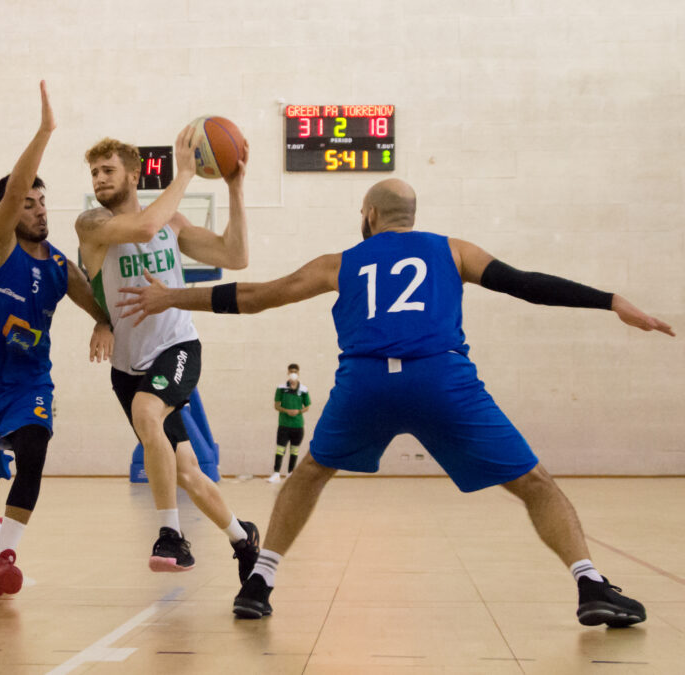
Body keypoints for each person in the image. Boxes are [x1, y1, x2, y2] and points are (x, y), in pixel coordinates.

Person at [117, 178, 674, 626]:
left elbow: (259, 296)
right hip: (442, 382)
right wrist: (610, 301)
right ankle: (590, 583)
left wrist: (172, 295)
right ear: (412, 215)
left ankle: (260, 581)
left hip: (366, 386)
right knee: (534, 484)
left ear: (369, 214)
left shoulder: (343, 260)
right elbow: (525, 283)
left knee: (308, 475)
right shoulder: (454, 250)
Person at [0, 81, 114, 597]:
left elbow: (97, 305)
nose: (39, 209)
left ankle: (8, 555)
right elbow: (13, 191)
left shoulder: (60, 266)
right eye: (28, 203)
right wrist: (45, 132)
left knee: (36, 446)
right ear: (8, 212)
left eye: (44, 202)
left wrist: (104, 321)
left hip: (27, 384)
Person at [74, 129, 259, 582]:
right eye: (94, 172)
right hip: (127, 364)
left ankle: (171, 534)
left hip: (177, 346)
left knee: (147, 411)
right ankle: (242, 538)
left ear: (134, 175)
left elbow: (235, 256)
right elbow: (141, 227)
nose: (99, 178)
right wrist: (187, 175)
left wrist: (235, 187)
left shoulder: (171, 222)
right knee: (187, 470)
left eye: (108, 170)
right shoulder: (91, 224)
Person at [269, 363, 310, 483]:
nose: (293, 374)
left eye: (295, 372)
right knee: (280, 449)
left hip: (298, 426)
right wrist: (286, 411)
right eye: (291, 371)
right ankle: (276, 474)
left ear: (298, 373)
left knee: (294, 450)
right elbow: (276, 406)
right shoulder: (281, 388)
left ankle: (290, 473)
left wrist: (298, 411)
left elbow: (307, 406)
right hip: (284, 425)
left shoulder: (303, 389)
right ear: (288, 373)